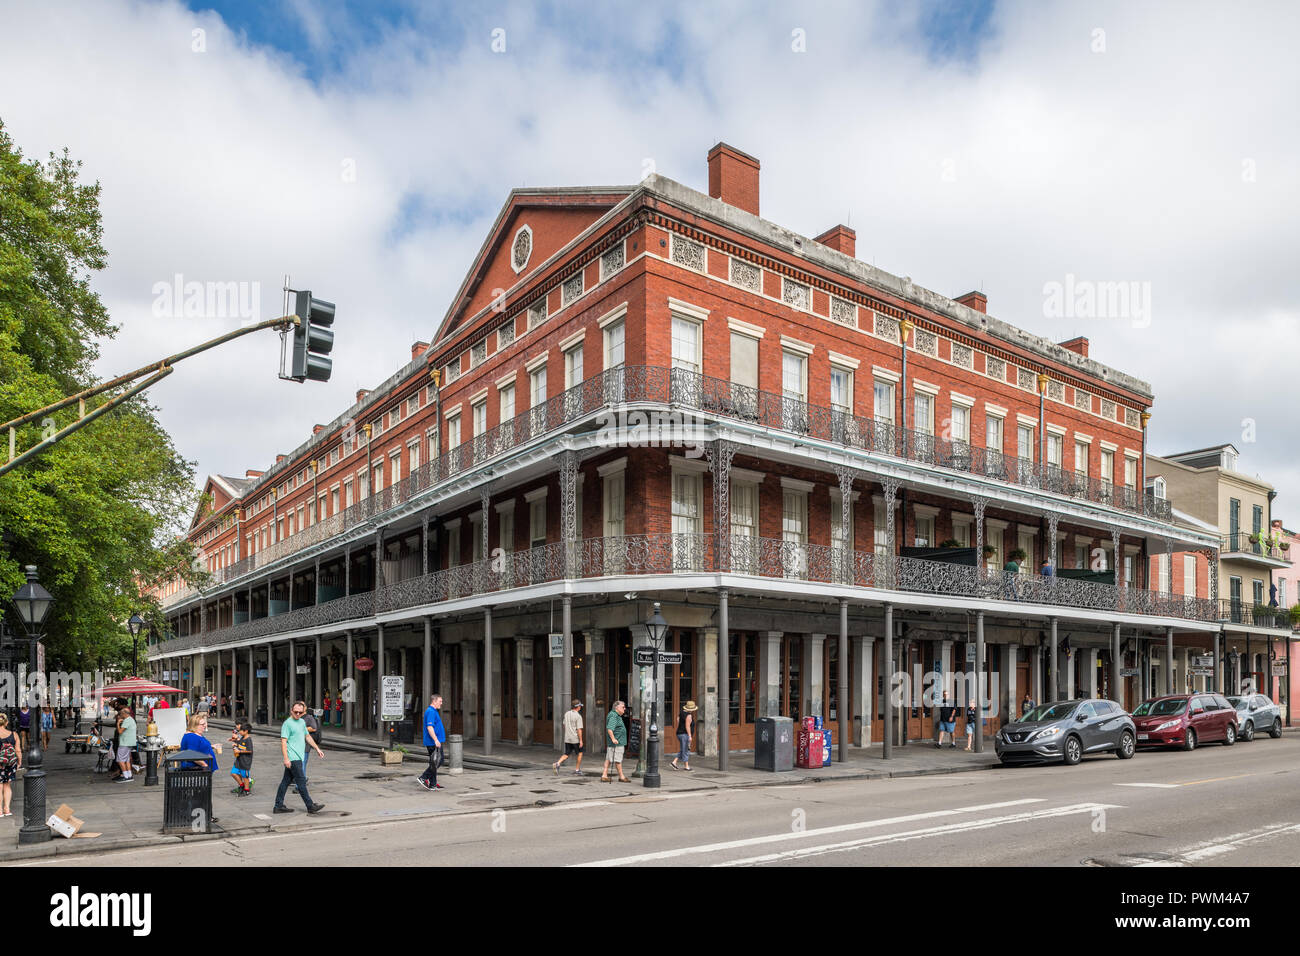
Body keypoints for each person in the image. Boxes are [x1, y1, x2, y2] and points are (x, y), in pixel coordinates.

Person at [273, 701, 324, 814]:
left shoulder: (301, 722)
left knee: (285, 782)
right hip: (293, 758)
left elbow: (307, 737)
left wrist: (317, 749)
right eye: (295, 712)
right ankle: (310, 806)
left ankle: (278, 806)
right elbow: (283, 742)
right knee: (301, 782)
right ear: (291, 711)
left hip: (299, 757)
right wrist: (286, 758)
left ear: (303, 712)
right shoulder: (287, 724)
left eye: (300, 712)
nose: (297, 714)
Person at [419, 693, 445, 791]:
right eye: (440, 701)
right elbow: (430, 727)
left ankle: (432, 784)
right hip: (433, 742)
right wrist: (436, 740)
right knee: (439, 760)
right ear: (434, 701)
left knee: (434, 762)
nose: (441, 703)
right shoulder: (430, 711)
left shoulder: (433, 711)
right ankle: (423, 777)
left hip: (434, 741)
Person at [553, 699, 584, 775]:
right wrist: (581, 740)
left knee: (567, 753)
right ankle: (577, 770)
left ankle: (557, 763)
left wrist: (568, 731)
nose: (580, 707)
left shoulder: (566, 714)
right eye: (580, 706)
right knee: (580, 753)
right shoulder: (578, 716)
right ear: (577, 707)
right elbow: (579, 729)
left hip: (567, 738)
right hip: (575, 738)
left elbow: (564, 725)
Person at [602, 700, 630, 783]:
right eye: (623, 707)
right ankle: (621, 777)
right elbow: (610, 729)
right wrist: (614, 739)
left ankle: (604, 775)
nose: (624, 709)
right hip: (617, 743)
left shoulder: (615, 715)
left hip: (615, 742)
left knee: (608, 759)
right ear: (616, 707)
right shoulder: (614, 716)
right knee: (618, 760)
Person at [294, 708, 322, 793]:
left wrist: (317, 749)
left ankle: (299, 786)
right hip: (295, 746)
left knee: (301, 766)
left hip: (304, 746)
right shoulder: (295, 718)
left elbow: (313, 728)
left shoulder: (309, 718)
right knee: (296, 767)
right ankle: (300, 783)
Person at [0, 714, 21, 818]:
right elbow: (18, 750)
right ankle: (7, 809)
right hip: (10, 762)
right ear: (6, 722)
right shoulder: (14, 734)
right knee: (7, 785)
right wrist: (19, 761)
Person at [228, 720, 254, 795]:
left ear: (246, 731)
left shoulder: (248, 740)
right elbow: (239, 744)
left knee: (245, 776)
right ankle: (241, 785)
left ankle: (246, 790)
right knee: (233, 773)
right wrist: (234, 742)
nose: (239, 732)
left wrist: (239, 751)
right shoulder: (242, 738)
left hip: (245, 762)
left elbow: (249, 750)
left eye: (241, 731)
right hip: (239, 760)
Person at [671, 700, 697, 771]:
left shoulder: (682, 712)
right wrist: (689, 736)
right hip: (684, 735)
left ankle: (674, 762)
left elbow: (678, 720)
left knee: (684, 749)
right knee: (685, 750)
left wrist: (681, 726)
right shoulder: (689, 716)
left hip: (679, 733)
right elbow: (687, 726)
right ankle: (686, 766)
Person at [115, 707, 138, 782]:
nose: (120, 715)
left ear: (124, 713)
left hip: (124, 742)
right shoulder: (131, 720)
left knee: (120, 760)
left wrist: (118, 723)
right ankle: (129, 775)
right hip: (130, 743)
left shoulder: (127, 721)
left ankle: (125, 776)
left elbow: (120, 731)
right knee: (127, 760)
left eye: (121, 713)